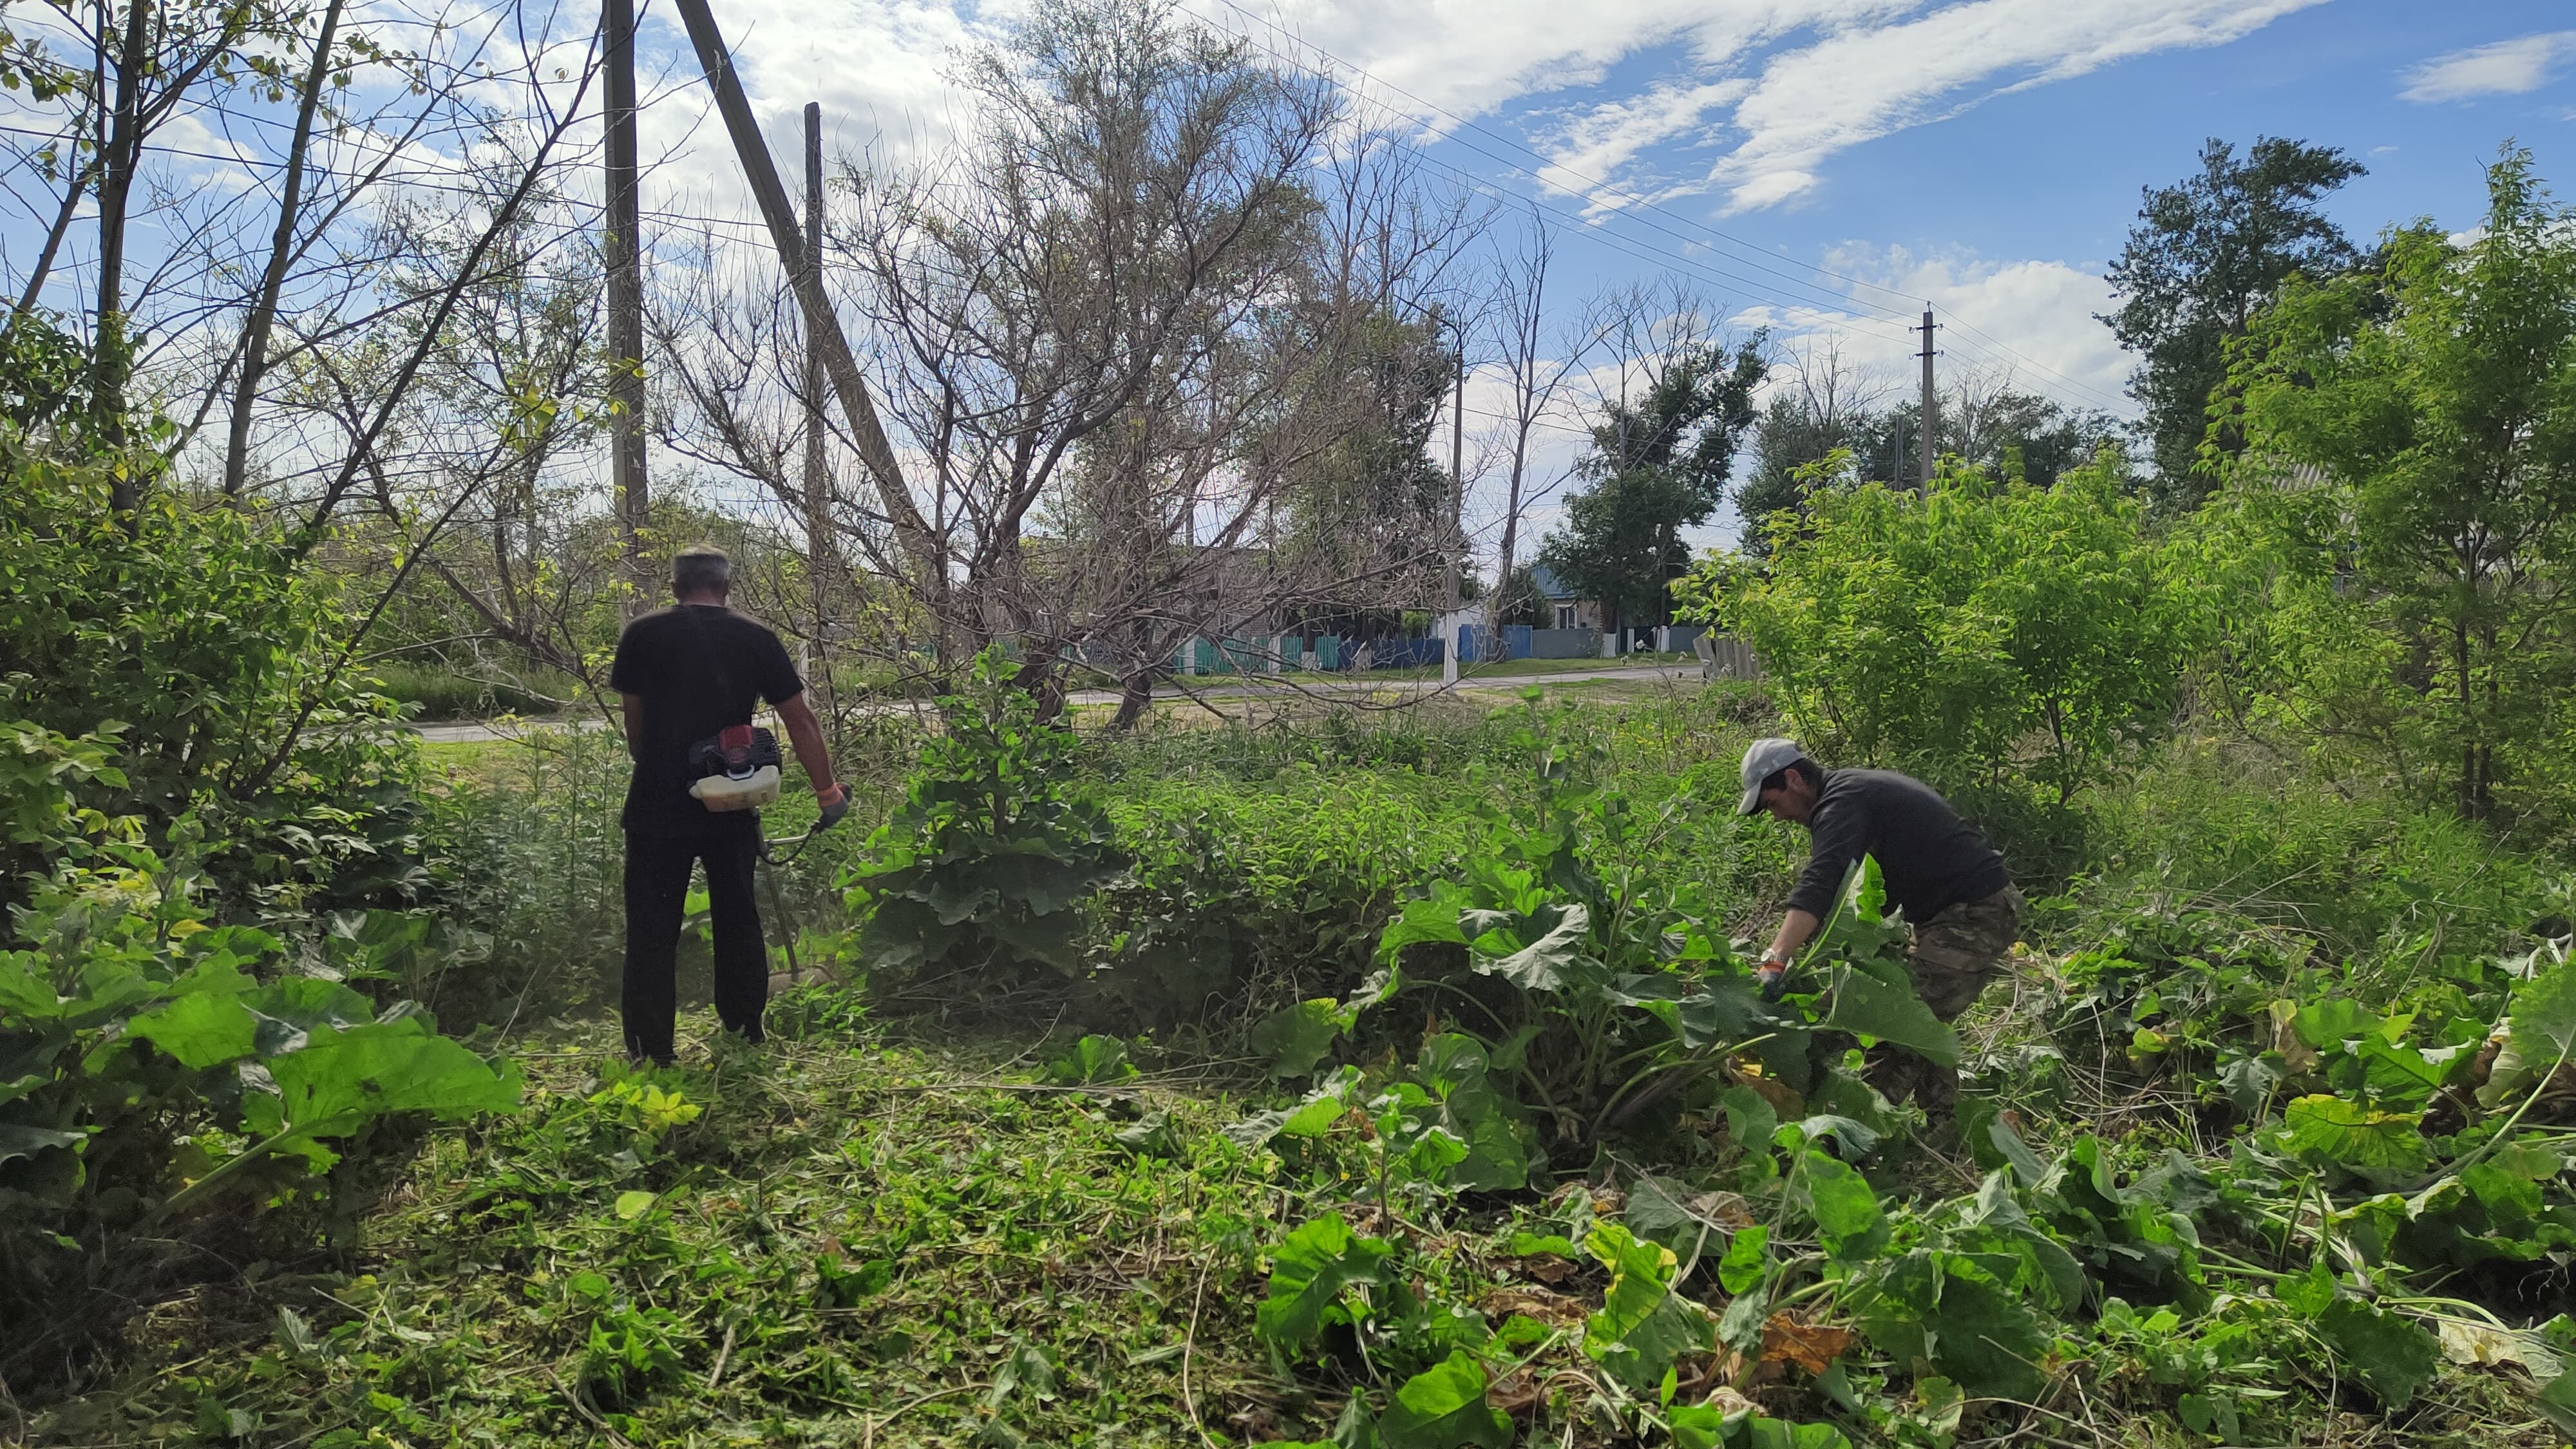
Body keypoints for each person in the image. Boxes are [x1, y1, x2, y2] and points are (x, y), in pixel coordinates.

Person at [610, 547, 848, 1066]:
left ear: (675, 587)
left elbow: (635, 723)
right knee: (738, 917)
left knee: (651, 927)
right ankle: (744, 1034)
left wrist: (659, 767)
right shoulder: (755, 637)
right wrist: (828, 793)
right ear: (725, 587)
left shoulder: (642, 635)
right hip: (731, 795)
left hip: (656, 803)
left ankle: (651, 1052)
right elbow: (800, 721)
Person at [1736, 737, 2021, 1111]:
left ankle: (1853, 1139)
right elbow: (1859, 893)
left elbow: (1820, 883)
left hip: (1974, 913)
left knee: (1896, 1025)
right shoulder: (1851, 793)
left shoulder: (1841, 802)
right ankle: (1946, 1130)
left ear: (1793, 778)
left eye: (1773, 804)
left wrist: (1775, 961)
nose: (1777, 816)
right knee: (1925, 1025)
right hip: (1952, 914)